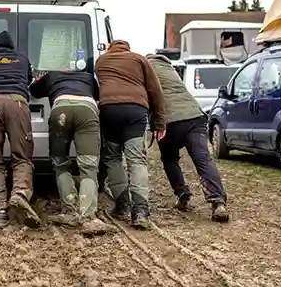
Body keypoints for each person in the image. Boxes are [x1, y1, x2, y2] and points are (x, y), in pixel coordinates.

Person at [29, 62, 113, 235]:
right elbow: (97, 94)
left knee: (60, 162)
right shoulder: (88, 77)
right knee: (89, 166)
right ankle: (88, 216)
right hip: (87, 111)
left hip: (61, 109)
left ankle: (69, 211)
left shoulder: (51, 75)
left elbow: (34, 91)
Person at [146, 53, 229, 222]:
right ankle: (218, 203)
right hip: (194, 116)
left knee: (169, 158)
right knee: (203, 159)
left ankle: (182, 194)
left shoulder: (145, 68)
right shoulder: (170, 69)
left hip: (170, 121)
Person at [95, 40, 167, 230]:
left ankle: (122, 205)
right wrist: (159, 122)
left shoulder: (101, 61)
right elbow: (155, 90)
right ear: (128, 48)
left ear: (110, 48)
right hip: (135, 111)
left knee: (112, 157)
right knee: (136, 160)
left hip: (109, 110)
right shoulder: (139, 59)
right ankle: (141, 211)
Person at [0, 31, 40, 228]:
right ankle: (20, 194)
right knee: (22, 157)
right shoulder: (22, 58)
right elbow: (29, 80)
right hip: (17, 104)